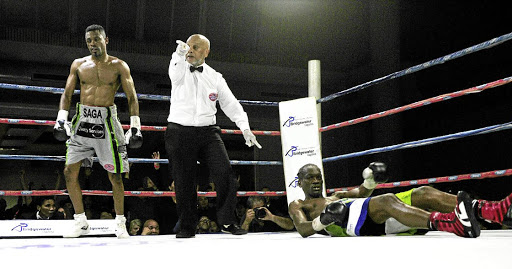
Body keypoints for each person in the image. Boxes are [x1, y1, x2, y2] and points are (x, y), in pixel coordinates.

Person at [165, 34, 261, 238]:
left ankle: (227, 221)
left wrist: (245, 127)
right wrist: (179, 53)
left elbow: (230, 104)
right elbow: (174, 73)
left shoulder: (215, 77)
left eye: (195, 47)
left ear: (206, 52)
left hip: (208, 131)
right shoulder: (179, 67)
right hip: (180, 130)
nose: (190, 50)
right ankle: (187, 226)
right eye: (188, 46)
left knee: (225, 173)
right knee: (184, 180)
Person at [53, 24, 142, 239]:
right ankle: (81, 222)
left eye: (96, 39)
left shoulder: (119, 66)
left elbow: (132, 97)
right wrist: (61, 119)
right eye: (89, 41)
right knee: (69, 172)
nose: (92, 44)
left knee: (115, 176)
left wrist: (135, 125)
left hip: (107, 123)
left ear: (106, 40)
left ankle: (120, 223)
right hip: (82, 120)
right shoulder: (78, 64)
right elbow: (67, 93)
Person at [288, 163, 509, 238]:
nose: (316, 181)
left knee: (423, 192)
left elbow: (362, 192)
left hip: (361, 209)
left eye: (319, 177)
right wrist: (323, 220)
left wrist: (372, 179)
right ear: (300, 182)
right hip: (346, 224)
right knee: (386, 200)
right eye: (310, 178)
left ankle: (491, 210)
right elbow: (303, 229)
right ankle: (450, 223)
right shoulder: (298, 205)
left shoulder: (334, 195)